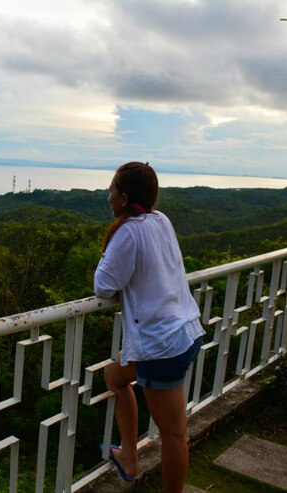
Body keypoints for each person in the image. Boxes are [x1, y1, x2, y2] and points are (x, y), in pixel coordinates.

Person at [93, 161, 204, 492]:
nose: (108, 195)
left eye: (111, 190)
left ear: (124, 198)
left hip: (162, 345)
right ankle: (128, 455)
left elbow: (103, 285)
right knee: (114, 377)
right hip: (180, 330)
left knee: (174, 434)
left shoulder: (128, 232)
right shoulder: (160, 219)